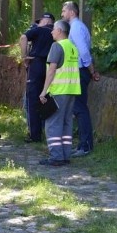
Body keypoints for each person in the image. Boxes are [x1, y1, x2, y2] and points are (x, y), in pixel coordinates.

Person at [38, 20, 81, 166]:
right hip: (72, 90)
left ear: (60, 31)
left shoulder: (57, 46)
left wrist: (44, 91)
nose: (51, 32)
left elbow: (51, 70)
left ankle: (56, 157)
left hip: (59, 91)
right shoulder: (72, 47)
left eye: (54, 29)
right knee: (66, 123)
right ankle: (65, 155)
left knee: (52, 124)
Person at [60, 1, 99, 157]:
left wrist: (92, 70)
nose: (62, 14)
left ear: (71, 12)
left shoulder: (75, 28)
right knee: (78, 108)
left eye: (64, 11)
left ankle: (86, 145)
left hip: (81, 71)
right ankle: (83, 144)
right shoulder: (79, 27)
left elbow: (83, 52)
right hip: (81, 71)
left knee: (80, 109)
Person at [19, 12, 55, 143]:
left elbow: (23, 38)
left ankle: (35, 134)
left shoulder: (38, 30)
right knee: (48, 98)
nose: (37, 24)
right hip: (53, 67)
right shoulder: (58, 32)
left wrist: (24, 56)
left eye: (39, 21)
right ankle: (49, 132)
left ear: (45, 21)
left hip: (37, 65)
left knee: (33, 99)